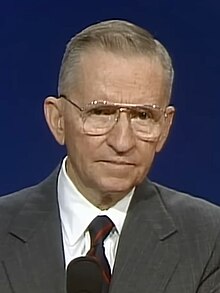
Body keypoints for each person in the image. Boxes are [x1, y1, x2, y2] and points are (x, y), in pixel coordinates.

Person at [0, 19, 220, 293]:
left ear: (164, 128)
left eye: (143, 116)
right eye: (101, 113)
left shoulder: (209, 239)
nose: (122, 141)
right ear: (58, 120)